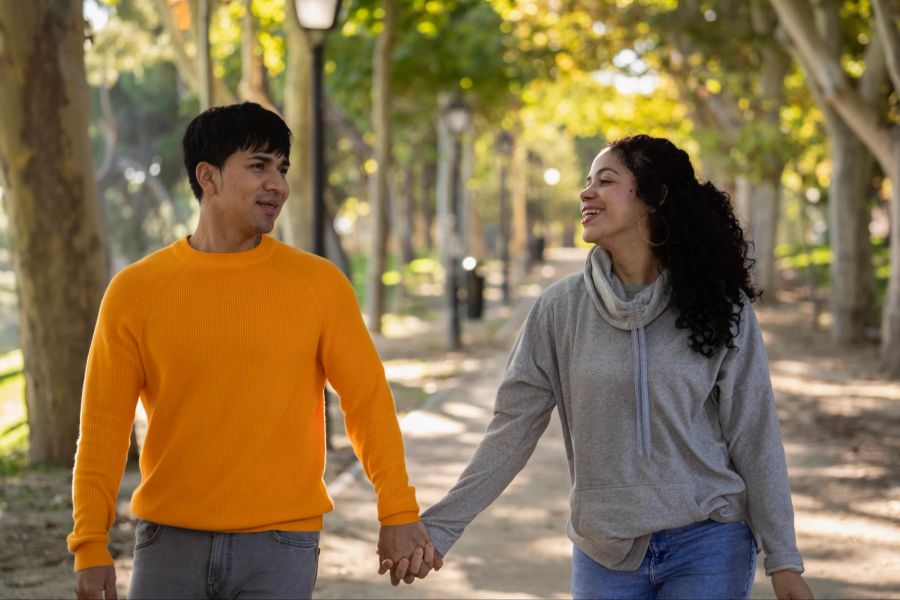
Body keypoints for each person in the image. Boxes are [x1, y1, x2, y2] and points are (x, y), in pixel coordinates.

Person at [402, 135, 814, 599]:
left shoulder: (719, 306)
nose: (586, 192)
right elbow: (510, 431)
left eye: (606, 180)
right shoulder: (558, 310)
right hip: (605, 553)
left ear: (654, 197)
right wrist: (439, 528)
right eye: (586, 181)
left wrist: (783, 559)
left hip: (709, 540)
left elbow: (754, 434)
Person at [68, 102, 433, 599]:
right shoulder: (135, 292)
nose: (278, 185)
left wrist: (398, 511)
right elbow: (103, 429)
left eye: (282, 169)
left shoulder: (319, 285)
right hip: (168, 543)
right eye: (259, 166)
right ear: (208, 177)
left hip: (281, 544)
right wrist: (89, 544)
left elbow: (368, 402)